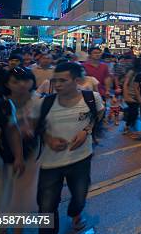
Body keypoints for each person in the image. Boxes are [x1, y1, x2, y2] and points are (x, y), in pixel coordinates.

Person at [31, 62, 104, 233]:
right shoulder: (45, 103)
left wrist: (86, 130)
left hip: (81, 159)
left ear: (77, 80)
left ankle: (75, 213)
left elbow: (98, 115)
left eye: (63, 81)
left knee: (79, 198)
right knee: (46, 206)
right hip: (50, 164)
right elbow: (34, 126)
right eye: (55, 81)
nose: (57, 85)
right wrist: (48, 138)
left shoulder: (91, 98)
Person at [0, 67, 41, 217]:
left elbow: (41, 125)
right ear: (7, 84)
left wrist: (31, 129)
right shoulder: (0, 103)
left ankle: (17, 226)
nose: (22, 85)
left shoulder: (38, 100)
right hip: (1, 152)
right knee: (2, 188)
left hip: (30, 152)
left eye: (26, 80)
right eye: (16, 81)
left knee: (23, 190)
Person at [122, 58, 141, 134]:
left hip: (139, 95)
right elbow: (125, 83)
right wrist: (126, 95)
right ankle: (127, 126)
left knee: (134, 111)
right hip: (131, 95)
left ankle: (130, 125)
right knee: (134, 111)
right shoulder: (132, 72)